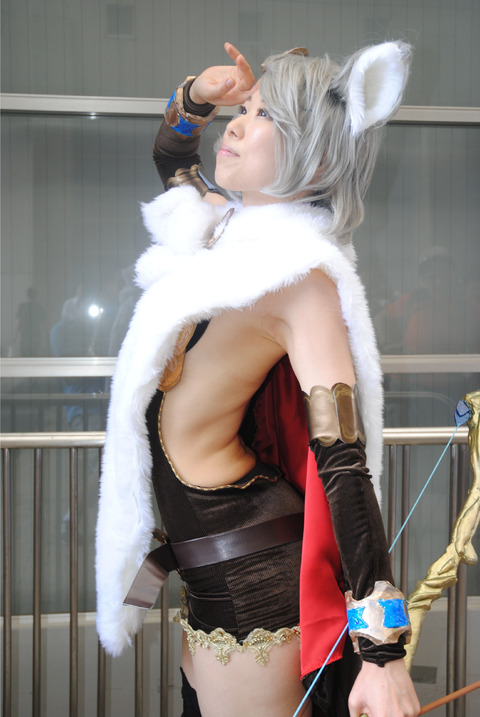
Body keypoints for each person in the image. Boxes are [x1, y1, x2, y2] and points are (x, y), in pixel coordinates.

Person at [96, 42, 420, 717]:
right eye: (242, 110)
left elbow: (343, 463)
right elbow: (172, 158)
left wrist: (382, 652)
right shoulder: (226, 234)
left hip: (253, 579)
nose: (237, 125)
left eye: (264, 115)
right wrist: (198, 97)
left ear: (318, 159)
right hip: (213, 562)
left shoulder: (302, 277)